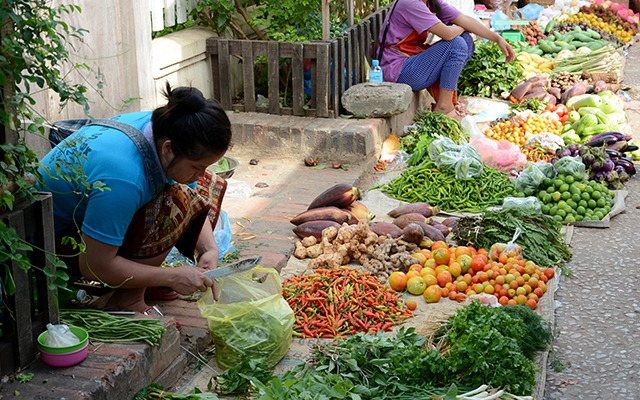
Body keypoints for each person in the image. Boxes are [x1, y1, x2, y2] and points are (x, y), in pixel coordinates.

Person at [38, 83, 232, 314]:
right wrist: (172, 276)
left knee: (202, 185)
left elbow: (190, 187)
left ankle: (144, 279)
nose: (201, 173)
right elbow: (94, 265)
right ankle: (127, 299)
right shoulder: (123, 177)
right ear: (169, 149)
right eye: (197, 166)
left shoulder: (167, 126)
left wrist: (209, 249)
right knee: (171, 205)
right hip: (51, 244)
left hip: (91, 217)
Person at [377, 0, 516, 119]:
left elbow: (465, 20)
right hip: (399, 71)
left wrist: (497, 39)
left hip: (413, 60)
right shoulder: (410, 3)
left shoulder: (432, 3)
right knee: (456, 44)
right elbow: (448, 34)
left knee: (466, 40)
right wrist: (461, 26)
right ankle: (444, 106)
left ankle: (445, 102)